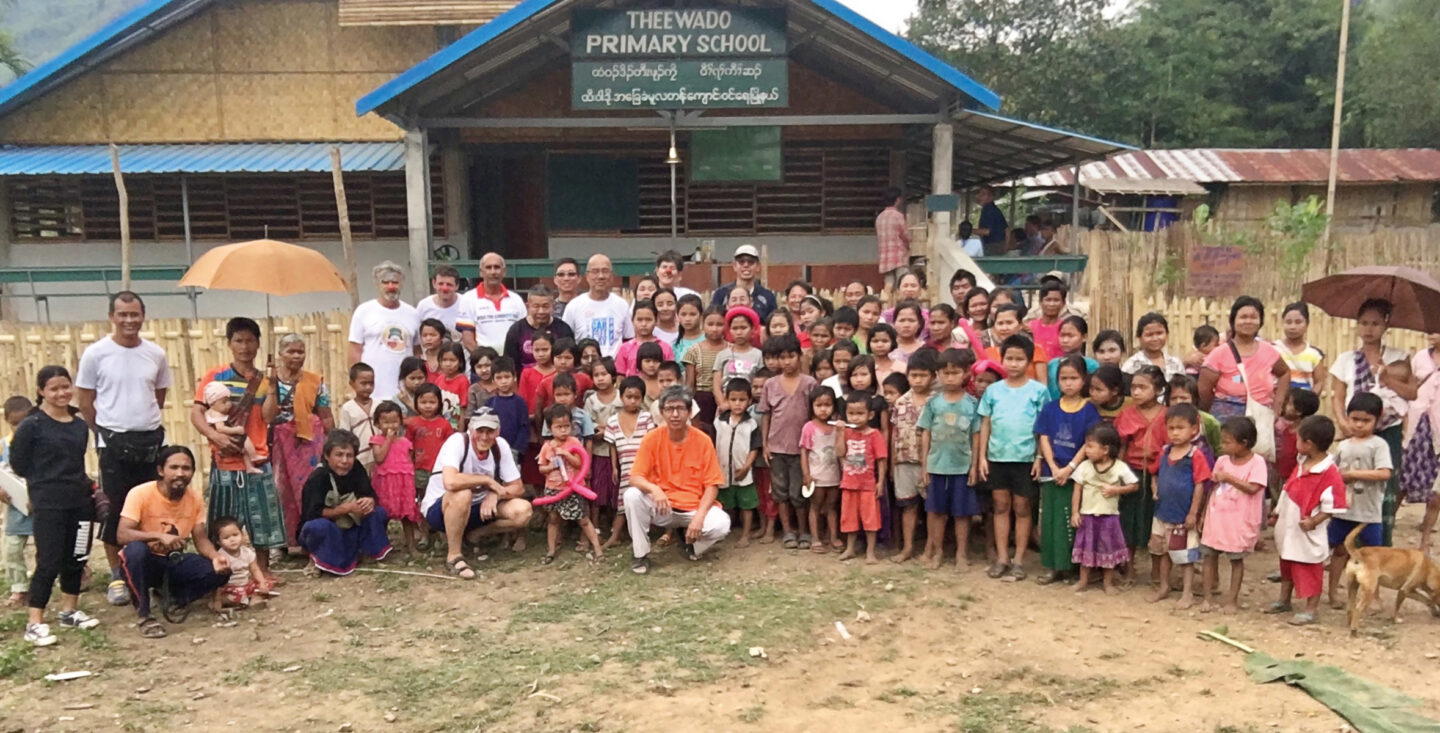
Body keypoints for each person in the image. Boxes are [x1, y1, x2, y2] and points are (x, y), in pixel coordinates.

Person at [76, 291, 170, 607]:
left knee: (151, 508)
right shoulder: (96, 354)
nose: (129, 320)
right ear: (112, 317)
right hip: (113, 444)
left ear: (143, 316)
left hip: (149, 443)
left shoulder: (155, 353)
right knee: (114, 511)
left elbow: (159, 396)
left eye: (134, 314)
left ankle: (150, 572)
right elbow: (86, 402)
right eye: (122, 314)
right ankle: (118, 575)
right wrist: (106, 433)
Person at [190, 318, 286, 571]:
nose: (245, 346)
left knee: (263, 524)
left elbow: (268, 417)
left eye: (250, 340)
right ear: (229, 344)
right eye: (239, 340)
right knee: (222, 523)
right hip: (224, 460)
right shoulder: (215, 376)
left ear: (258, 343)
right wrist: (216, 437)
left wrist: (274, 386)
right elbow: (197, 413)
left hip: (257, 457)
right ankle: (222, 575)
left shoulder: (265, 380)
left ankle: (262, 574)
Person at [13, 367, 99, 646]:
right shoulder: (32, 425)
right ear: (41, 392)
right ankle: (35, 621)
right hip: (49, 503)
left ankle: (69, 610)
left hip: (80, 502)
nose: (61, 393)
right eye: (54, 389)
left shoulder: (78, 424)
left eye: (66, 386)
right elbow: (19, 464)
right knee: (48, 561)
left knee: (77, 556)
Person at [116, 446, 232, 639]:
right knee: (135, 551)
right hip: (145, 561)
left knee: (220, 572)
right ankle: (144, 614)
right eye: (174, 467)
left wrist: (216, 557)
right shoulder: (141, 493)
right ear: (161, 470)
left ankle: (173, 598)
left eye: (186, 468)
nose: (180, 473)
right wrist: (158, 536)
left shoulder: (194, 498)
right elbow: (122, 534)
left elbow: (200, 538)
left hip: (173, 560)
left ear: (193, 472)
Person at [1328, 298, 1415, 547]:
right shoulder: (1346, 359)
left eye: (1375, 323)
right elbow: (1338, 396)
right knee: (1350, 486)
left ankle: (1379, 545)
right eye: (1364, 323)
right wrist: (1343, 423)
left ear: (1386, 324)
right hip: (1355, 430)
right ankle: (1346, 546)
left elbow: (1412, 394)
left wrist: (1387, 377)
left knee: (1385, 490)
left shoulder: (1398, 358)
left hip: (1387, 432)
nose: (1369, 329)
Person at [624, 386, 731, 574]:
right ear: (662, 412)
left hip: (693, 507)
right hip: (662, 506)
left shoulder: (703, 440)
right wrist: (654, 490)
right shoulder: (652, 439)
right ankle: (640, 554)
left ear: (689, 412)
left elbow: (712, 485)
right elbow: (635, 477)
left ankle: (691, 546)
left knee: (722, 524)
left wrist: (699, 518)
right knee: (632, 495)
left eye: (680, 409)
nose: (675, 414)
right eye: (669, 409)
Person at [422, 408, 533, 579]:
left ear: (498, 431)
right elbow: (450, 482)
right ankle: (454, 556)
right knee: (462, 493)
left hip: (480, 507)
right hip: (441, 507)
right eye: (480, 431)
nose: (484, 436)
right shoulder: (458, 442)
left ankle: (476, 535)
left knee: (523, 511)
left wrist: (495, 495)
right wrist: (486, 481)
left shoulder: (500, 446)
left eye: (490, 431)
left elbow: (518, 487)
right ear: (470, 429)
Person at [977, 334, 1049, 581]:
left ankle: (1018, 560)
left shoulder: (1038, 391)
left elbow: (1043, 428)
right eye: (1009, 358)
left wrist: (1040, 457)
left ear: (1029, 361)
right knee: (1000, 506)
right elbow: (985, 422)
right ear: (1002, 359)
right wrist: (982, 458)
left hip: (1026, 459)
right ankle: (1002, 558)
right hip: (997, 457)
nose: (1014, 363)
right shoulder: (993, 391)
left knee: (1022, 507)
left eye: (1020, 359)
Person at [1268, 416, 1346, 626]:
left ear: (1308, 443)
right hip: (1290, 526)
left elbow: (1331, 506)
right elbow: (1289, 489)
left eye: (1299, 439)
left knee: (1309, 567)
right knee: (1287, 563)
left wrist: (1314, 521)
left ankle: (1311, 609)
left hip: (1306, 530)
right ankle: (1284, 599)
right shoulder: (1302, 463)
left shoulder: (1329, 473)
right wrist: (1277, 512)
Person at [263, 332, 334, 555]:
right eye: (290, 351)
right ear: (280, 354)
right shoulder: (266, 381)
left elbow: (325, 414)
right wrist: (272, 386)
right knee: (278, 489)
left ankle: (308, 539)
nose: (296, 356)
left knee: (309, 489)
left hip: (309, 444)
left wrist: (332, 444)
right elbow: (266, 415)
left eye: (300, 351)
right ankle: (279, 543)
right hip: (278, 445)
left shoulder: (315, 381)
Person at [1035, 355, 1101, 585]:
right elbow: (1044, 436)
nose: (1068, 383)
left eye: (1074, 378)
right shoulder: (1051, 408)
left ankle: (1071, 567)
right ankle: (1052, 566)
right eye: (1063, 378)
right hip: (1051, 471)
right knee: (1050, 520)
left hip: (1077, 475)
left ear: (1084, 380)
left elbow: (1089, 442)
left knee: (1071, 520)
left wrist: (1070, 468)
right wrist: (1053, 466)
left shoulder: (1089, 410)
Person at [1326, 393, 1394, 609]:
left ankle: (1372, 596)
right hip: (1343, 511)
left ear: (1377, 419)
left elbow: (1384, 473)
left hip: (1369, 514)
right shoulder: (1344, 445)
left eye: (1365, 421)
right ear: (1347, 417)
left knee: (1373, 556)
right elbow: (1332, 472)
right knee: (1338, 552)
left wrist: (1354, 475)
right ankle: (1333, 593)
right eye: (1354, 419)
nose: (1359, 425)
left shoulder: (1378, 445)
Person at [297, 430, 392, 576]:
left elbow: (369, 493)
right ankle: (321, 558)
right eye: (339, 455)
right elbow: (312, 513)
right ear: (328, 456)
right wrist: (345, 509)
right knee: (317, 527)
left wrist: (368, 501)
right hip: (330, 528)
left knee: (378, 513)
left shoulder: (356, 468)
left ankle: (367, 552)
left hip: (352, 526)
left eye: (349, 455)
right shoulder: (318, 477)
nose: (344, 461)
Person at [918, 348, 981, 571]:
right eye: (944, 373)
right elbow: (925, 433)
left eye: (955, 373)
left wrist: (974, 466)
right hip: (936, 466)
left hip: (962, 467)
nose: (949, 377)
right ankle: (937, 552)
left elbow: (976, 436)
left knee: (962, 514)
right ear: (938, 375)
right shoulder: (933, 403)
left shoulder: (972, 404)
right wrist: (925, 465)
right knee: (936, 512)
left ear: (966, 374)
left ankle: (961, 554)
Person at [1199, 417, 1268, 613]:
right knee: (1208, 557)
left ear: (1243, 443)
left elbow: (1253, 488)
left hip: (1239, 521)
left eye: (1227, 442)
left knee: (1236, 560)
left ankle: (1232, 599)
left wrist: (1229, 477)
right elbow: (1212, 489)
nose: (1223, 445)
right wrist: (1204, 514)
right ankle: (1207, 598)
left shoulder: (1257, 462)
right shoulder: (1222, 461)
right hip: (1217, 517)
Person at [757, 334, 817, 550]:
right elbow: (766, 415)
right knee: (780, 492)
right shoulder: (770, 384)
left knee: (799, 493)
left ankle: (803, 531)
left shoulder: (809, 383)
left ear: (800, 357)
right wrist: (765, 444)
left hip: (801, 449)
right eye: (782, 357)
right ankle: (788, 532)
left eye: (792, 356)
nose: (787, 361)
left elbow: (814, 415)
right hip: (776, 447)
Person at [1148, 404, 1210, 609]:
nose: (1174, 433)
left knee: (1185, 556)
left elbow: (1200, 484)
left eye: (1180, 428)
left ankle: (1187, 593)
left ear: (1194, 429)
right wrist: (1154, 487)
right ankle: (1164, 586)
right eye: (1171, 428)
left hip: (1182, 516)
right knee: (1163, 552)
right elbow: (1155, 473)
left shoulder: (1195, 455)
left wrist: (1193, 513)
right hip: (1162, 512)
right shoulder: (1165, 451)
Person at [1198, 296, 1290, 425]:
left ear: (1261, 321)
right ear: (1233, 321)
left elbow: (1285, 373)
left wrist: (1277, 405)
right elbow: (1204, 391)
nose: (1248, 321)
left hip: (1261, 418)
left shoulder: (1269, 351)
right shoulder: (1219, 354)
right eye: (1243, 317)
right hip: (1226, 422)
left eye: (1253, 317)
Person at [1069, 424, 1138, 595]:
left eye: (1091, 446)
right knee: (1086, 549)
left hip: (1109, 518)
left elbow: (1134, 485)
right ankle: (1083, 580)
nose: (1087, 450)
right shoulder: (1084, 466)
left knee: (1108, 551)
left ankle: (1108, 583)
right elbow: (1077, 489)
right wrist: (1075, 512)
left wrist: (1117, 490)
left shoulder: (1119, 467)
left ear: (1105, 449)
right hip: (1087, 516)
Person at [1115, 365, 1168, 585]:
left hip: (1160, 474)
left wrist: (1158, 474)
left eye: (1142, 387)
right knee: (1128, 521)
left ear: (1157, 390)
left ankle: (1157, 573)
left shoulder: (1167, 415)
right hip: (1132, 474)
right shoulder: (1127, 415)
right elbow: (1121, 447)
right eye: (1133, 387)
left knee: (1156, 523)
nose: (1136, 392)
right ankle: (1129, 567)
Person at [538, 405, 603, 563]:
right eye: (558, 427)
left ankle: (598, 549)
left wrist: (567, 454)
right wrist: (551, 466)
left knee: (583, 519)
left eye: (566, 426)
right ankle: (551, 550)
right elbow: (541, 468)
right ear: (550, 428)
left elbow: (580, 463)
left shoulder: (574, 442)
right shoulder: (547, 446)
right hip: (553, 489)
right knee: (553, 520)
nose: (563, 430)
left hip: (572, 489)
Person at [348, 262, 420, 402]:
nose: (391, 287)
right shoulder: (364, 311)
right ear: (377, 284)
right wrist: (354, 385)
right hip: (373, 391)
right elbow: (354, 350)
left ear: (402, 283)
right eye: (385, 282)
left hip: (404, 393)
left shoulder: (413, 313)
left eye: (395, 282)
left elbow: (417, 351)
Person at [889, 348, 935, 563]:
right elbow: (893, 434)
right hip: (903, 460)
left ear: (933, 376)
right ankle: (907, 548)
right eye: (913, 375)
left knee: (932, 508)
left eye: (923, 375)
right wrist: (891, 464)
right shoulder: (900, 402)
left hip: (931, 462)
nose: (917, 380)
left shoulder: (936, 401)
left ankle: (930, 549)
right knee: (908, 505)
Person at [601, 376, 656, 550]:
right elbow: (612, 446)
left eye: (637, 397)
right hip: (625, 468)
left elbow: (652, 445)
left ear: (642, 398)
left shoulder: (646, 418)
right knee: (622, 502)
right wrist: (615, 467)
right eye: (628, 396)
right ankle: (615, 536)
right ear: (621, 396)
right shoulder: (612, 421)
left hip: (644, 468)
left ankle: (645, 535)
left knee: (646, 500)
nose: (632, 401)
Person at [836, 392, 887, 563]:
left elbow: (881, 459)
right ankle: (850, 548)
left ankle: (870, 552)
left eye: (860, 413)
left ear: (870, 415)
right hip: (849, 483)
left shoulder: (875, 434)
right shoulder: (846, 432)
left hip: (868, 484)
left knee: (870, 518)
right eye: (851, 413)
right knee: (849, 517)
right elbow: (839, 453)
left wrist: (880, 482)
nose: (855, 418)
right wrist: (839, 432)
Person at [714, 378, 761, 547]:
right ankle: (723, 531)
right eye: (733, 400)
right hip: (722, 471)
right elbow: (713, 444)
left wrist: (747, 466)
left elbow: (755, 448)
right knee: (725, 504)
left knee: (746, 505)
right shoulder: (719, 422)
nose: (737, 404)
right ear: (727, 400)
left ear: (749, 401)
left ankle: (745, 535)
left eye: (742, 400)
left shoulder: (751, 423)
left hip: (743, 472)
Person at [369, 400, 421, 556]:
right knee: (383, 515)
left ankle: (411, 546)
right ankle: (382, 546)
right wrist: (389, 440)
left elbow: (410, 461)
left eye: (394, 421)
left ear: (401, 421)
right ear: (377, 424)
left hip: (404, 484)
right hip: (386, 484)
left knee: (407, 516)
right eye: (385, 422)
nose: (390, 426)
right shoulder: (376, 440)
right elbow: (379, 458)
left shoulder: (406, 442)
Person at [1405, 333, 1440, 551]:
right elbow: (1409, 389)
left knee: (1436, 492)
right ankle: (1386, 530)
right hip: (1415, 425)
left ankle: (1425, 540)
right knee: (1403, 478)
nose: (1432, 334)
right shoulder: (1419, 358)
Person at [563, 254, 634, 358]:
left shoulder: (621, 304)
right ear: (587, 276)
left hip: (614, 369)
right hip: (584, 368)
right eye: (595, 271)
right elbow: (566, 343)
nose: (600, 276)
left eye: (605, 271)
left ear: (612, 276)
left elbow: (628, 339)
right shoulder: (574, 306)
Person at [800, 386, 842, 554]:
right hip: (816, 476)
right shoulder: (809, 427)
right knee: (815, 507)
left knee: (831, 506)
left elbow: (841, 451)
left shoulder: (837, 426)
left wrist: (841, 431)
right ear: (812, 406)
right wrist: (806, 474)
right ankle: (816, 538)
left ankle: (833, 537)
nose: (823, 409)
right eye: (819, 405)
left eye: (827, 405)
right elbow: (803, 451)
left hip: (834, 475)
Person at [1, 395, 34, 607]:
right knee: (13, 549)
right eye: (15, 424)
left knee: (47, 548)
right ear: (6, 421)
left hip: (41, 504)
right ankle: (19, 587)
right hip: (15, 506)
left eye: (24, 423)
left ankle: (42, 584)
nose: (19, 428)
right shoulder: (4, 445)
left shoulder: (41, 443)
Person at [459, 252, 527, 352]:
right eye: (488, 267)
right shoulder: (468, 299)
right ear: (481, 272)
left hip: (511, 363)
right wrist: (484, 360)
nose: (493, 272)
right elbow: (468, 340)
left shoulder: (516, 299)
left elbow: (524, 334)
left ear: (504, 272)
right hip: (483, 363)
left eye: (497, 267)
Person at [209, 516, 274, 612]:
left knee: (267, 583)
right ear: (219, 542)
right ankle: (223, 601)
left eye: (235, 535)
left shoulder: (247, 552)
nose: (232, 539)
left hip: (245, 584)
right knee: (238, 595)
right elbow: (217, 581)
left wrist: (262, 583)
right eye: (226, 538)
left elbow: (255, 569)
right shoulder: (221, 557)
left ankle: (253, 599)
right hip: (230, 588)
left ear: (242, 535)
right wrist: (217, 599)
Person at [503, 284, 574, 370]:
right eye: (536, 306)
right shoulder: (516, 331)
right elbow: (509, 366)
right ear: (528, 306)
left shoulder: (563, 330)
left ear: (553, 306)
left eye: (545, 306)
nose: (541, 311)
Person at [201, 381, 261, 472]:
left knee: (244, 450)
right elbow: (220, 428)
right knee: (245, 439)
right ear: (212, 404)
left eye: (228, 400)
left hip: (222, 441)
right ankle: (253, 456)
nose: (228, 404)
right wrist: (235, 430)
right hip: (225, 438)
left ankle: (249, 467)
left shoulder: (214, 412)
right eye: (224, 402)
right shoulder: (216, 414)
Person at [709, 244, 777, 321]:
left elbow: (771, 325)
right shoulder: (720, 294)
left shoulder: (768, 297)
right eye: (741, 262)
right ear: (734, 266)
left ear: (758, 266)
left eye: (751, 262)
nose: (746, 265)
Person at [337, 363, 377, 473]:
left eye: (371, 383)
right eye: (363, 383)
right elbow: (344, 435)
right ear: (352, 384)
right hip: (360, 459)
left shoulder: (379, 405)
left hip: (380, 458)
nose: (368, 387)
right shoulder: (347, 408)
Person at [1122, 312, 1185, 381]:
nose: (1155, 338)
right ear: (1140, 338)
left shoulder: (1176, 363)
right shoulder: (1131, 366)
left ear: (1167, 334)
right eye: (1149, 335)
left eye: (1159, 333)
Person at [1278, 302, 1327, 391]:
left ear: (1307, 324)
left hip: (1303, 402)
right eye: (1288, 322)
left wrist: (1310, 400)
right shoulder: (1274, 349)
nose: (1292, 327)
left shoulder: (1314, 355)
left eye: (1298, 322)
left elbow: (1319, 382)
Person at [875, 187, 911, 289]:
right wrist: (908, 245)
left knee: (888, 285)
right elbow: (905, 236)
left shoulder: (879, 217)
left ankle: (888, 304)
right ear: (898, 199)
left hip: (885, 257)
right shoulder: (898, 215)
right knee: (902, 282)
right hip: (899, 256)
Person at [415, 265, 467, 336]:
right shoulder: (424, 306)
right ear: (434, 283)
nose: (444, 288)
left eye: (449, 284)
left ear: (457, 286)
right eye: (441, 284)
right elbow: (418, 336)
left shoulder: (466, 304)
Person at [974, 185, 1009, 256]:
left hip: (992, 246)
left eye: (983, 194)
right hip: (998, 245)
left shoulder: (989, 210)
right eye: (979, 194)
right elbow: (1007, 230)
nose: (979, 196)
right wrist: (1005, 246)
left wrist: (969, 230)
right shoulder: (994, 210)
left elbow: (987, 231)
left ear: (990, 197)